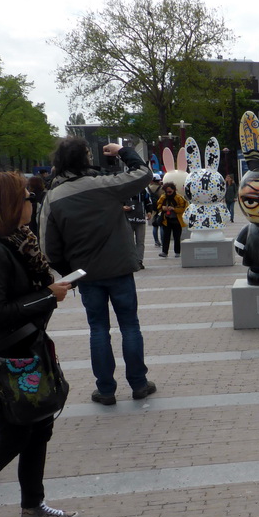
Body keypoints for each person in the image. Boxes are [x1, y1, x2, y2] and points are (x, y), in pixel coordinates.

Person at [0, 172, 78, 517]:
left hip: (23, 349)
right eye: (25, 198)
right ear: (9, 205)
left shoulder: (17, 242)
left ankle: (33, 507)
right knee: (16, 433)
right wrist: (47, 295)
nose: (31, 202)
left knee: (39, 426)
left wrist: (50, 289)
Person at [40, 138, 156, 406]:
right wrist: (122, 152)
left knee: (98, 330)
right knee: (130, 326)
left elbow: (48, 247)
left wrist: (71, 273)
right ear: (85, 158)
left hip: (87, 275)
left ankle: (105, 389)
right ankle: (138, 383)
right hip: (120, 269)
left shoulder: (54, 197)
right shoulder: (105, 185)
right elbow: (143, 174)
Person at [156, 182, 187, 257]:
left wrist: (174, 209)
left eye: (170, 191)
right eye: (166, 192)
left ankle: (177, 252)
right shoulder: (163, 197)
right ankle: (164, 252)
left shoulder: (179, 197)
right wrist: (162, 208)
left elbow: (183, 208)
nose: (168, 193)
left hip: (177, 220)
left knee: (177, 237)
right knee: (166, 236)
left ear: (174, 190)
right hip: (166, 220)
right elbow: (158, 205)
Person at [125, 183, 149, 269]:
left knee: (140, 241)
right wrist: (123, 207)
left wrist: (149, 212)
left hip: (140, 219)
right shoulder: (124, 191)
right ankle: (131, 260)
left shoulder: (142, 191)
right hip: (128, 219)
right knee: (129, 241)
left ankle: (139, 260)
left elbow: (148, 202)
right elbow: (118, 203)